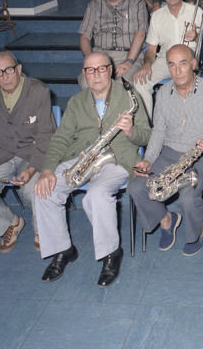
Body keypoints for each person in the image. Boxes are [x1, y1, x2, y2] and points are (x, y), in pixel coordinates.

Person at [34, 52, 151, 287]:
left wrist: (130, 131)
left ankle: (111, 254)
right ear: (84, 74)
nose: (96, 75)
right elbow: (60, 139)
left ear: (111, 70)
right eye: (90, 70)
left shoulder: (130, 97)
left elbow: (147, 136)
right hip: (82, 156)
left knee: (96, 196)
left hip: (117, 159)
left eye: (101, 68)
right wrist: (47, 170)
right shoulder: (76, 102)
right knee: (45, 191)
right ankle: (62, 250)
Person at [128, 45, 203, 257]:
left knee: (188, 199)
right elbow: (158, 132)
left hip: (201, 155)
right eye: (172, 65)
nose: (178, 70)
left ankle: (198, 230)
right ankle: (167, 220)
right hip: (169, 153)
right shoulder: (163, 93)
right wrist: (148, 159)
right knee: (136, 187)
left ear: (193, 64)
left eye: (183, 63)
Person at [0, 52, 55, 253]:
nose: (5, 76)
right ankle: (10, 223)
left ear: (18, 69)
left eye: (9, 70)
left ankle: (42, 230)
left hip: (32, 154)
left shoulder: (38, 91)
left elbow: (46, 136)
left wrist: (33, 169)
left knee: (33, 189)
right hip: (1, 155)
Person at [134, 0, 201, 119]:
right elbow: (151, 49)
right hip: (166, 61)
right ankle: (148, 127)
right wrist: (146, 65)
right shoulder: (157, 16)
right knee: (140, 82)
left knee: (184, 84)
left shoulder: (196, 11)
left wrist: (196, 37)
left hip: (190, 61)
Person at [79, 0, 148, 87]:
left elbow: (140, 34)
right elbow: (85, 37)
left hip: (128, 55)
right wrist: (91, 60)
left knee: (122, 85)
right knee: (87, 83)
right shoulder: (94, 5)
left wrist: (129, 61)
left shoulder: (137, 3)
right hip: (101, 55)